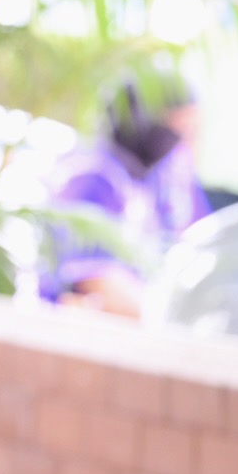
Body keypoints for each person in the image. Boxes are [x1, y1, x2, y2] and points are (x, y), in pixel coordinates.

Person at [41, 73, 211, 317]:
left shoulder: (166, 179)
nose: (181, 141)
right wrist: (176, 321)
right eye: (178, 126)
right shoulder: (92, 177)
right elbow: (99, 282)